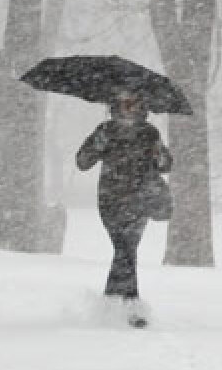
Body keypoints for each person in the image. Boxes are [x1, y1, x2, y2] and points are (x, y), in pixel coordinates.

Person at [76, 90, 173, 327]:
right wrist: (96, 146)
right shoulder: (106, 131)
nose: (130, 107)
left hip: (140, 200)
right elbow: (82, 162)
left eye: (135, 102)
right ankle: (126, 307)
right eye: (125, 102)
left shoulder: (149, 133)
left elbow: (166, 165)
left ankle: (117, 305)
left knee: (126, 251)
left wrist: (159, 154)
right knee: (125, 250)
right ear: (115, 105)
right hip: (111, 201)